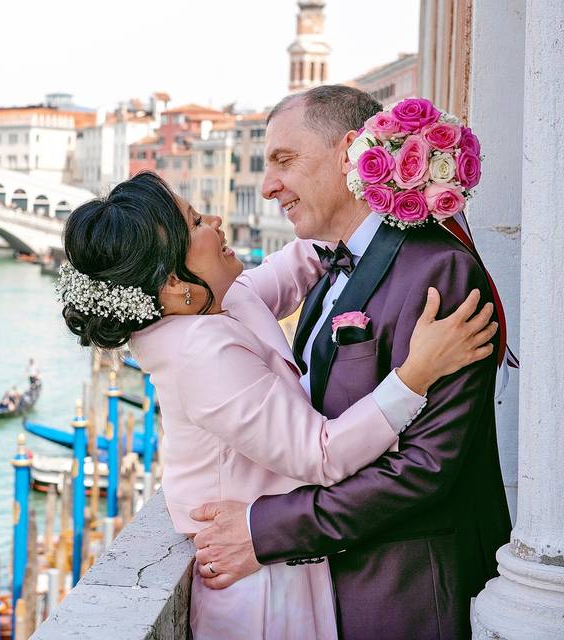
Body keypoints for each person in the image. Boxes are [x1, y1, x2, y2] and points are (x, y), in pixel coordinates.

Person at [57, 171, 497, 639]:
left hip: (284, 558)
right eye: (197, 221)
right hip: (261, 590)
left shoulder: (217, 300)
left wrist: (381, 180)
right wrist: (417, 372)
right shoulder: (199, 356)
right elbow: (321, 454)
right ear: (170, 283)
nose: (217, 220)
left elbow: (303, 259)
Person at [190, 86, 512, 639]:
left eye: (284, 162)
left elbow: (425, 469)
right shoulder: (330, 266)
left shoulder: (438, 272)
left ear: (348, 152)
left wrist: (264, 531)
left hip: (402, 595)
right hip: (334, 588)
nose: (268, 187)